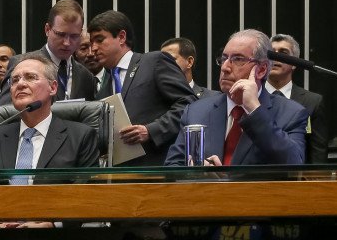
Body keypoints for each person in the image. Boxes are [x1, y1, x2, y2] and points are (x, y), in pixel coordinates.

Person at [165, 30, 307, 166]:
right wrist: (198, 173)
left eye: (238, 59)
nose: (225, 67)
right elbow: (172, 166)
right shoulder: (196, 111)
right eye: (224, 58)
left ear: (262, 69)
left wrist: (254, 109)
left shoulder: (291, 113)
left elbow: (294, 164)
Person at [87, 10, 195, 165]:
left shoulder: (154, 62)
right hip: (119, 176)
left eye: (99, 40)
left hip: (158, 169)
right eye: (91, 43)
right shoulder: (101, 86)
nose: (93, 49)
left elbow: (189, 104)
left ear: (122, 37)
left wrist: (151, 130)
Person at [0, 52, 99, 171]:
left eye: (30, 77)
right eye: (15, 80)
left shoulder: (81, 137)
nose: (20, 84)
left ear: (53, 87)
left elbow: (86, 190)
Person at [0, 0, 97, 105]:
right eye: (60, 34)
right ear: (47, 30)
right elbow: (5, 112)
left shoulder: (86, 77)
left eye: (74, 36)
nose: (67, 43)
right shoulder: (21, 64)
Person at [267, 34, 328, 164]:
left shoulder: (312, 101)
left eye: (283, 53)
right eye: (272, 53)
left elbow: (318, 151)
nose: (276, 57)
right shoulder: (251, 96)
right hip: (254, 178)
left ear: (295, 63)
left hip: (297, 178)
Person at [75, 31, 110, 97]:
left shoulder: (115, 77)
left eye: (94, 47)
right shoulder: (71, 83)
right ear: (75, 52)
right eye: (83, 48)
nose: (90, 53)